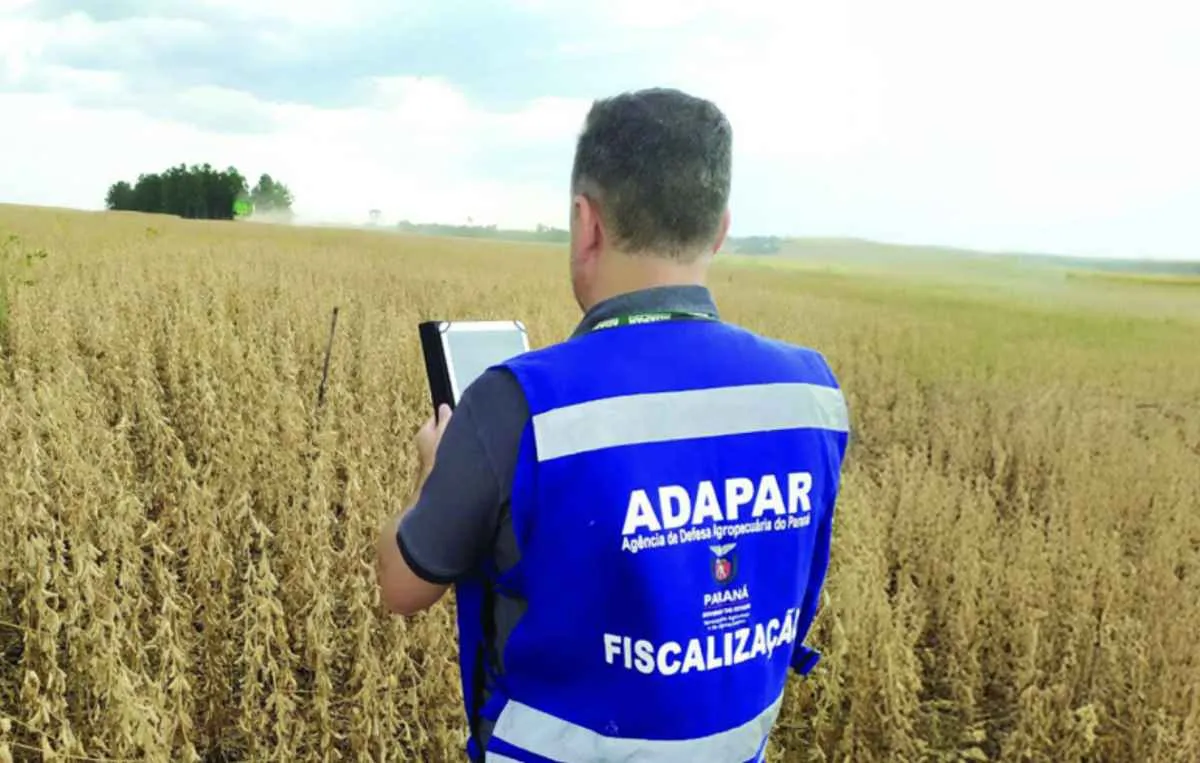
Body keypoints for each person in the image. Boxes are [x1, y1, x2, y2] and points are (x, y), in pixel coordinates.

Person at [376, 87, 850, 763]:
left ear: (585, 222)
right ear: (718, 228)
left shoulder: (519, 402)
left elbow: (402, 585)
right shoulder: (810, 394)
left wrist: (432, 477)